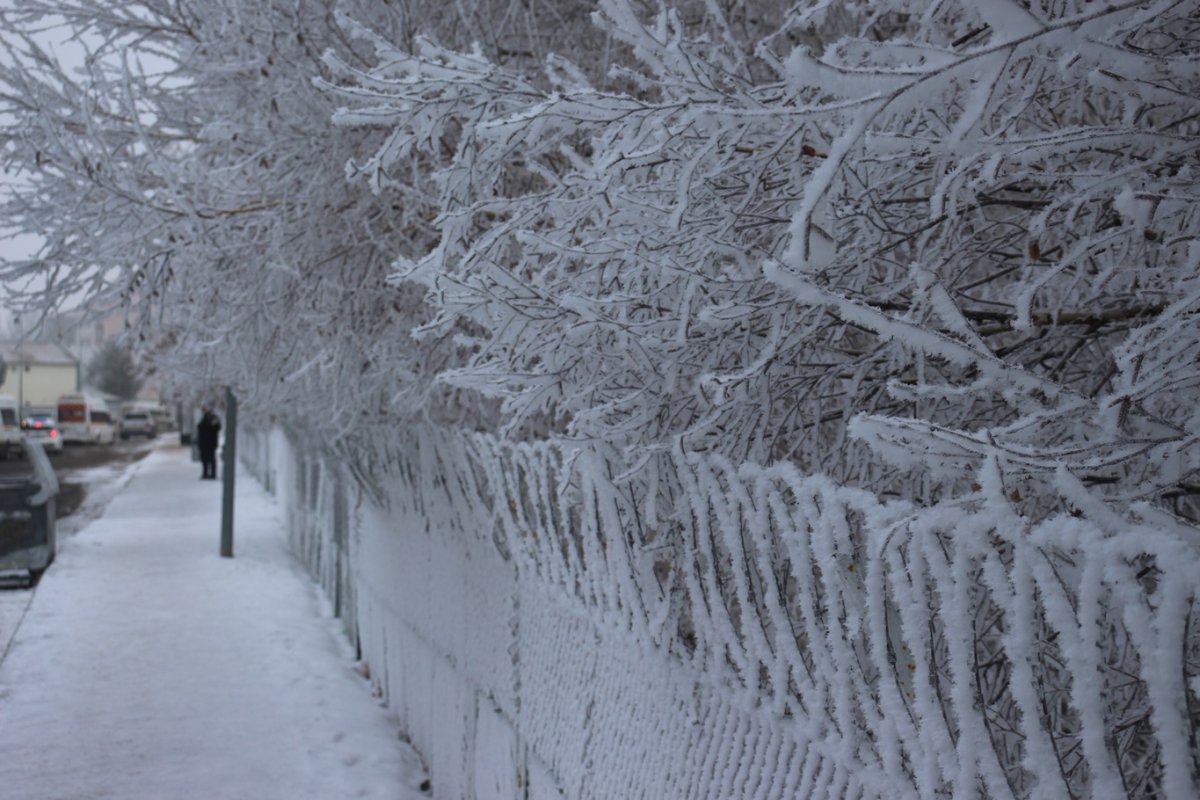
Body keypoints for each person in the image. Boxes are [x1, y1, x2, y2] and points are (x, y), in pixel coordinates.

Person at [196, 407, 221, 480]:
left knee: (209, 459)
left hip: (208, 443)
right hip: (207, 443)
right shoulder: (206, 419)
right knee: (207, 459)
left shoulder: (212, 419)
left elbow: (217, 427)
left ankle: (209, 473)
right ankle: (208, 473)